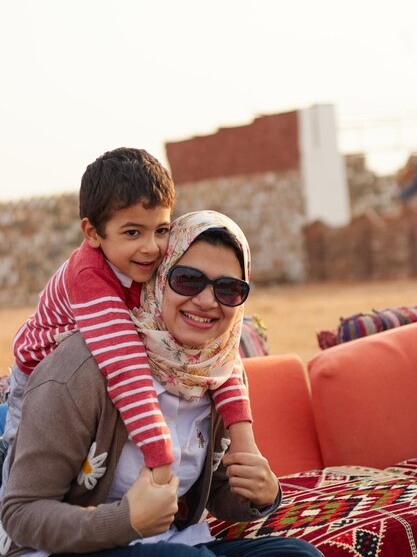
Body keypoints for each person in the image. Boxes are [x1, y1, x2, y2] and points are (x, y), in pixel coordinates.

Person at [0, 210, 322, 557]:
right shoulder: (84, 368)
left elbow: (215, 490)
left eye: (229, 289)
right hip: (67, 550)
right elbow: (21, 514)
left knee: (297, 555)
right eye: (187, 280)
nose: (207, 301)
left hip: (170, 544)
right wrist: (125, 521)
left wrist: (263, 492)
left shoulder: (216, 370)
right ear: (158, 279)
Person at [2, 149, 255, 491]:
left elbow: (219, 358)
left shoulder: (146, 269)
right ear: (93, 233)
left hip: (86, 379)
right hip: (39, 377)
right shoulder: (90, 279)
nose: (151, 247)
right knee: (22, 468)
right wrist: (159, 455)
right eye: (133, 232)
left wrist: (245, 443)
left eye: (162, 229)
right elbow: (126, 369)